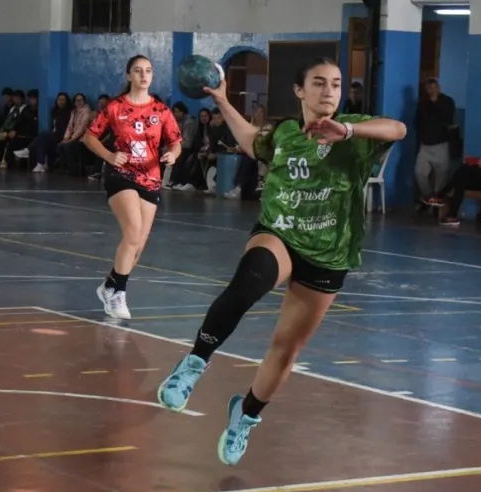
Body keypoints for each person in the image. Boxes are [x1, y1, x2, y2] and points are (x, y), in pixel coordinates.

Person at [156, 56, 407, 466]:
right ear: (299, 90)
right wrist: (221, 99)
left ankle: (246, 413)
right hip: (281, 232)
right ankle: (193, 364)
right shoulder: (285, 132)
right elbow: (250, 139)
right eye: (319, 82)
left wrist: (346, 130)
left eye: (337, 84)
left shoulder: (357, 131)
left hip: (329, 252)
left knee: (286, 348)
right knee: (246, 286)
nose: (329, 91)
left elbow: (398, 129)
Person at [83, 55, 182, 319]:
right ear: (129, 76)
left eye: (148, 71)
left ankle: (109, 285)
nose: (143, 75)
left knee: (138, 245)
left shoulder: (161, 111)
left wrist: (173, 155)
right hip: (121, 175)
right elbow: (89, 136)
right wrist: (109, 156)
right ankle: (119, 295)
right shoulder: (115, 107)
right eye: (138, 71)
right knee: (133, 231)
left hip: (150, 178)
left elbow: (176, 142)